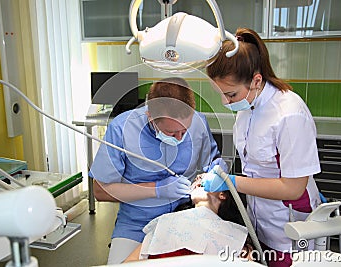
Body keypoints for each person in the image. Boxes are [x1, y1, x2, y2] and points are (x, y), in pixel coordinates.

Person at [204, 28, 322, 267]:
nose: (225, 102)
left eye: (230, 94)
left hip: (289, 225)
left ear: (256, 80)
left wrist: (232, 182)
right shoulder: (248, 106)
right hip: (260, 222)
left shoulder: (289, 114)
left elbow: (293, 189)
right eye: (220, 94)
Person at [89, 77, 220, 264]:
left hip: (185, 219)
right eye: (172, 132)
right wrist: (156, 189)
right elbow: (100, 190)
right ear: (151, 116)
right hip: (136, 225)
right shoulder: (121, 129)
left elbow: (212, 164)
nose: (180, 137)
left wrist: (215, 174)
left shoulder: (199, 122)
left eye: (185, 131)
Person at [124, 176, 251, 262]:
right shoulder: (166, 221)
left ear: (222, 194)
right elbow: (130, 263)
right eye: (197, 178)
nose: (198, 178)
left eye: (204, 177)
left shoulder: (234, 234)